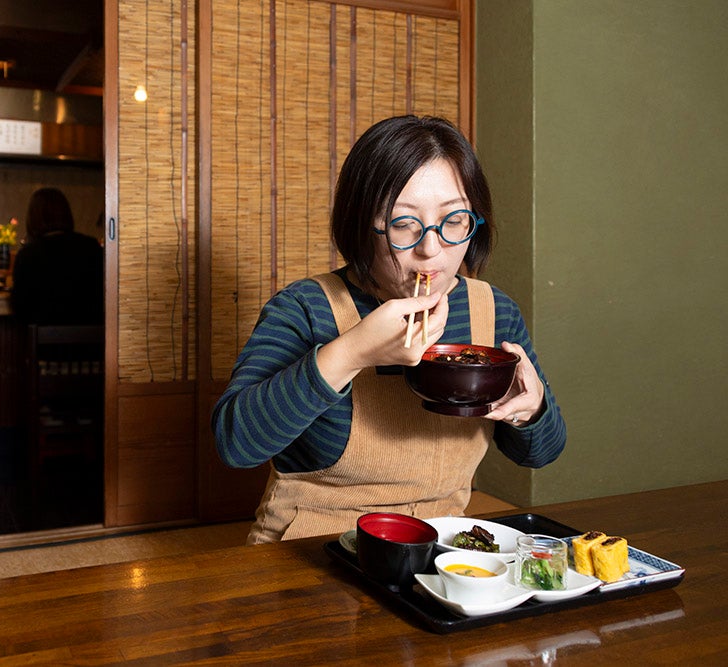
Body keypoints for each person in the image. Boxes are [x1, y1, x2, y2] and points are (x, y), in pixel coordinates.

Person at [211, 115, 566, 545]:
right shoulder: (306, 306)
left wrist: (531, 408)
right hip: (310, 548)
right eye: (402, 224)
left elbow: (542, 451)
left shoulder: (494, 312)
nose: (431, 248)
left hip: (439, 551)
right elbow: (236, 444)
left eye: (454, 220)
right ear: (362, 225)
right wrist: (352, 352)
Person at [9, 187, 104, 325]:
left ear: (33, 217)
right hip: (91, 335)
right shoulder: (91, 246)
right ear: (66, 214)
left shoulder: (28, 254)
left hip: (43, 335)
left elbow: (20, 307)